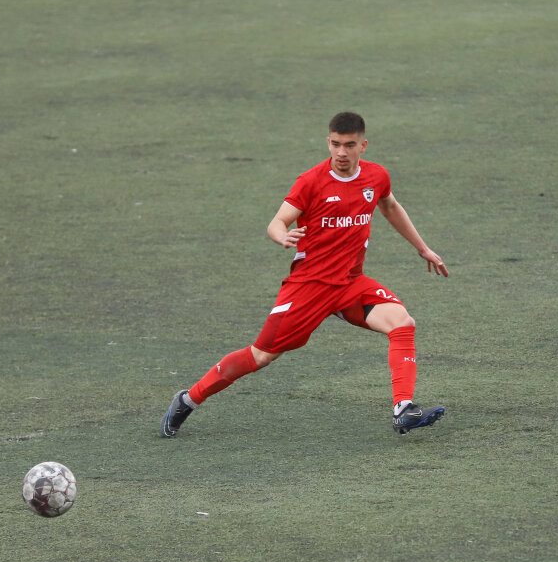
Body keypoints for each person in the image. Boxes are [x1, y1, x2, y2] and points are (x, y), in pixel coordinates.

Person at [161, 111, 449, 438]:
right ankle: (188, 399)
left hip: (350, 283)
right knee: (261, 355)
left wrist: (422, 248)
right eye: (335, 144)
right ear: (328, 142)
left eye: (349, 145)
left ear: (363, 146)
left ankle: (403, 409)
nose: (341, 152)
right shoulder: (311, 181)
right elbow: (277, 221)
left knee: (402, 323)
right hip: (309, 287)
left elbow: (390, 206)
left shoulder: (376, 176)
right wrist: (281, 235)